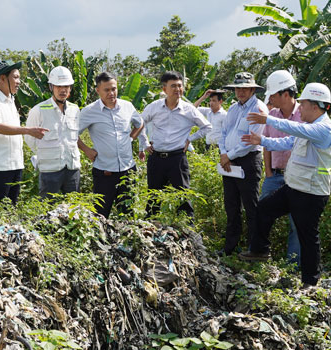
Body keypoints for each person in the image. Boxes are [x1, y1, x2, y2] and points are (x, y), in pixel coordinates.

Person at [239, 83, 331, 287]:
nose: (299, 109)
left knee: (307, 237)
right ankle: (260, 250)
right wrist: (261, 140)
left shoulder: (323, 129)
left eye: (303, 104)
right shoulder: (309, 129)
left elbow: (295, 128)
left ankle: (310, 281)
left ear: (316, 106)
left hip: (311, 193)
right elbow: (287, 142)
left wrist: (268, 119)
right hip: (293, 188)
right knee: (264, 209)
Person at [141, 71, 211, 217]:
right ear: (164, 89)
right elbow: (139, 124)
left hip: (177, 158)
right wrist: (145, 143)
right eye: (173, 86)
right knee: (154, 197)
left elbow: (207, 127)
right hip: (156, 157)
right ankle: (150, 228)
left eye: (179, 86)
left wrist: (190, 139)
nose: (177, 89)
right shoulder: (154, 107)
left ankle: (187, 231)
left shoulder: (188, 109)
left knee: (183, 196)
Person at [78, 72, 147, 218]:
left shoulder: (127, 106)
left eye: (114, 89)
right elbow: (71, 134)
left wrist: (131, 138)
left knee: (127, 214)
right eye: (106, 90)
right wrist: (86, 150)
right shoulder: (89, 111)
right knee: (101, 215)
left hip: (128, 170)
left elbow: (139, 123)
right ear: (98, 91)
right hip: (104, 172)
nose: (111, 93)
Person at [0, 60, 47, 204]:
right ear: (3, 78)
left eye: (18, 77)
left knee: (11, 207)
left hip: (15, 163)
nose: (18, 81)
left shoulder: (11, 100)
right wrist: (28, 130)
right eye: (15, 77)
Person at [218, 72, 267, 256]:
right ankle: (230, 248)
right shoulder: (233, 108)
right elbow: (223, 133)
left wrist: (228, 155)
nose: (241, 92)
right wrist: (224, 154)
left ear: (253, 89)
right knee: (231, 206)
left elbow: (250, 142)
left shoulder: (258, 109)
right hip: (228, 161)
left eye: (245, 88)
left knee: (251, 206)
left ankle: (255, 249)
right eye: (238, 88)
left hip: (247, 161)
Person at [260, 70, 303, 265]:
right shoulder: (272, 115)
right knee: (262, 212)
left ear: (285, 94)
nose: (270, 98)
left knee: (297, 222)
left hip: (297, 178)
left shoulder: (305, 115)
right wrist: (268, 173)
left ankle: (292, 266)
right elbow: (266, 145)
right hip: (275, 176)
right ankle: (259, 254)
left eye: (273, 95)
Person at [25, 66, 81, 198]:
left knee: (75, 209)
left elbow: (75, 137)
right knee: (47, 209)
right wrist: (45, 155)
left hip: (72, 169)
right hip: (49, 170)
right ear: (51, 87)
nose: (63, 90)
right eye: (58, 86)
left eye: (66, 86)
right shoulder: (38, 110)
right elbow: (29, 139)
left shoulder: (75, 109)